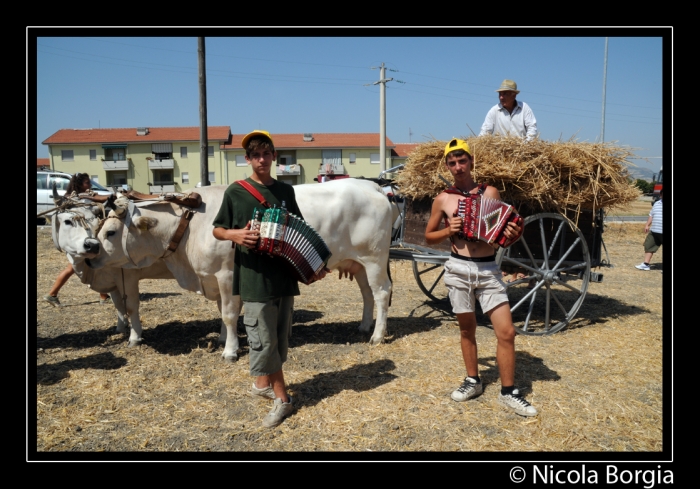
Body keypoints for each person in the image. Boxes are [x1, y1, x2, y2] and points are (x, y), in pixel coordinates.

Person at [213, 130, 327, 428]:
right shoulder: (236, 192)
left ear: (274, 156)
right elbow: (218, 229)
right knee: (263, 341)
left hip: (284, 277)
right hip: (254, 278)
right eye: (255, 155)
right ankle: (283, 400)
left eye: (266, 154)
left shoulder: (286, 192)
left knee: (278, 338)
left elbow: (298, 230)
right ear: (247, 159)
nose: (261, 159)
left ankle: (261, 384)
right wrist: (235, 234)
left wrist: (314, 266)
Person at [424, 138, 537, 417]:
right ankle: (473, 380)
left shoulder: (491, 193)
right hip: (458, 269)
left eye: (462, 161)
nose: (458, 167)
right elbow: (429, 236)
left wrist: (513, 235)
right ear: (448, 166)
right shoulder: (443, 198)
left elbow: (502, 234)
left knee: (507, 332)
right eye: (452, 163)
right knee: (467, 328)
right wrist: (449, 229)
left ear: (471, 162)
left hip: (488, 269)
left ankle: (509, 391)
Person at [43, 173, 111, 307]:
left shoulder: (81, 197)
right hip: (79, 240)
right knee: (82, 265)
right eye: (87, 183)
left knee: (77, 267)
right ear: (79, 184)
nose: (90, 185)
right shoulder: (73, 200)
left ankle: (53, 294)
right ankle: (52, 294)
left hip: (84, 238)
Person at [636, 188, 663, 271]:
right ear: (661, 195)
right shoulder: (657, 203)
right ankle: (646, 264)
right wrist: (647, 225)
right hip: (654, 231)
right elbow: (651, 215)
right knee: (649, 246)